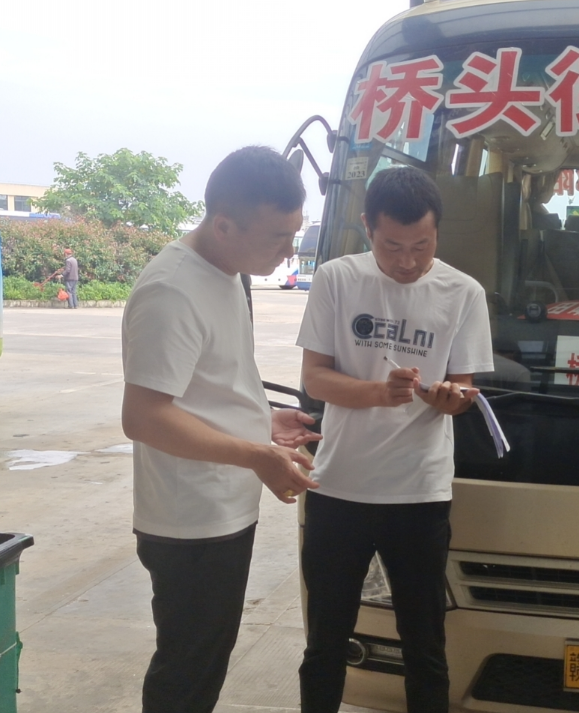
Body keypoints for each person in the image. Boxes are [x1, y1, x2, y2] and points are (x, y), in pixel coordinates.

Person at [121, 146, 322, 713]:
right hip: (189, 519)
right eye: (277, 238)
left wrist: (263, 420)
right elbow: (144, 416)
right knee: (188, 669)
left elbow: (208, 384)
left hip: (222, 509)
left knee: (205, 659)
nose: (289, 252)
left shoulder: (229, 272)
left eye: (294, 235)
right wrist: (256, 455)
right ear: (224, 224)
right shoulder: (171, 290)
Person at [296, 166, 494, 713]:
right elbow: (315, 379)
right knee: (325, 640)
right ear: (367, 228)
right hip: (339, 486)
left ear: (437, 232)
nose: (407, 261)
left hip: (419, 492)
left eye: (421, 246)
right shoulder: (337, 279)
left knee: (425, 643)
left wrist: (452, 398)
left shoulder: (463, 292)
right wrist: (377, 393)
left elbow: (464, 387)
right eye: (392, 246)